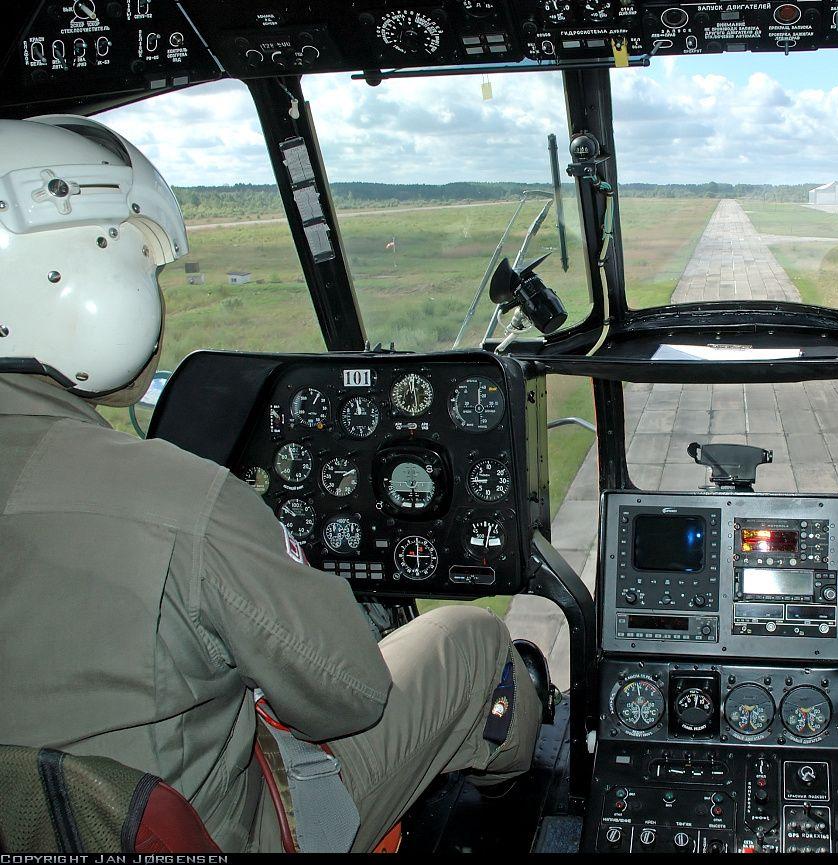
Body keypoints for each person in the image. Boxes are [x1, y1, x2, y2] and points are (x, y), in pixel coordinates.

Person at [0, 115, 544, 852]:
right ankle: (520, 800)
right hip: (222, 835)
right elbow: (351, 696)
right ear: (87, 281)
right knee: (470, 639)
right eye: (144, 270)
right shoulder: (179, 502)